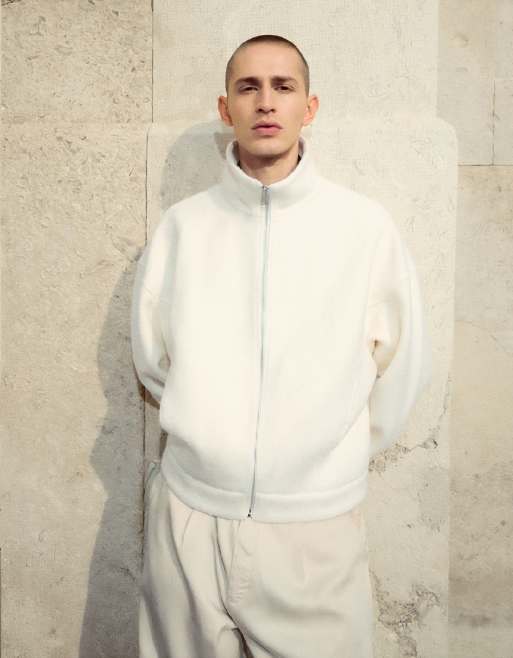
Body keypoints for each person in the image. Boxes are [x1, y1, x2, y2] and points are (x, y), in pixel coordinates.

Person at [131, 34, 432, 658]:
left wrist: (324, 462)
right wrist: (210, 442)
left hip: (314, 531)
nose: (265, 102)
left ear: (309, 107)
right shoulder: (183, 228)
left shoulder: (363, 228)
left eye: (283, 86)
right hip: (191, 517)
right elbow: (153, 360)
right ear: (226, 108)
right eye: (248, 87)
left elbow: (401, 367)